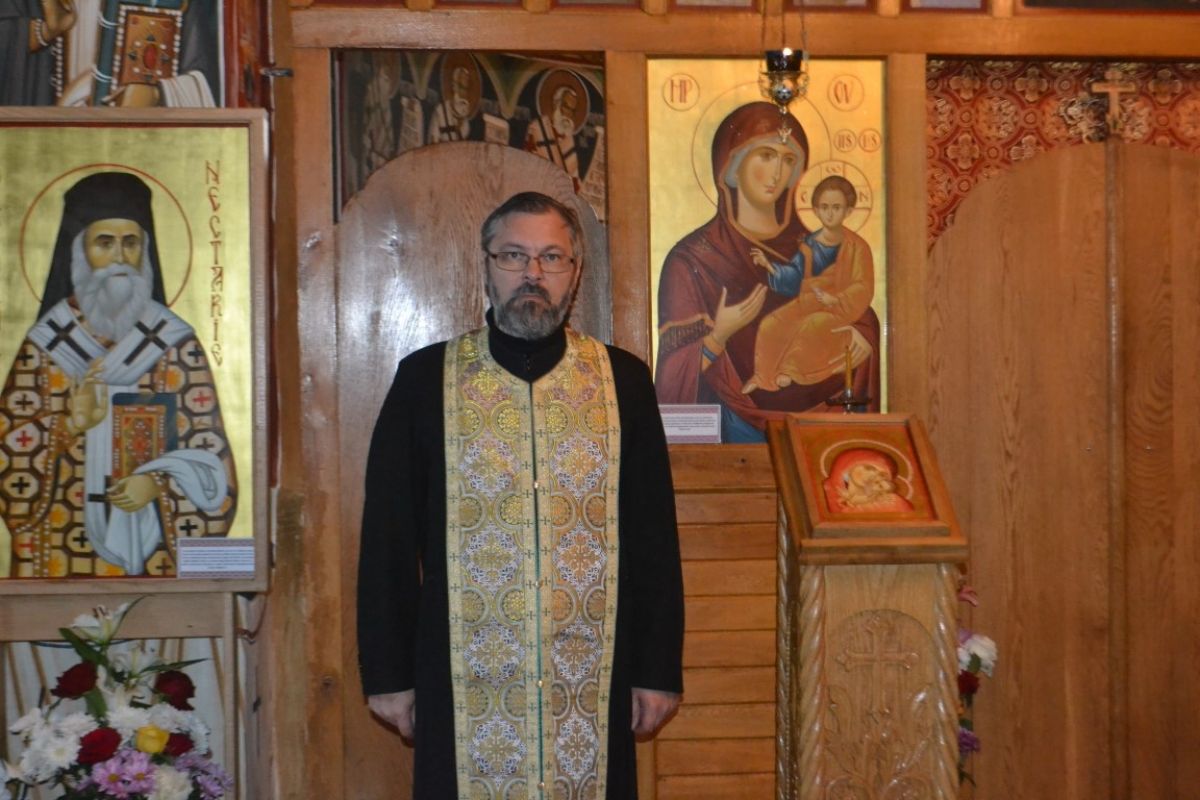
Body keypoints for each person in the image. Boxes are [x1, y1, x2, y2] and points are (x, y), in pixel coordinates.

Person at [358, 191, 684, 798]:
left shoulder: (623, 383)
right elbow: (388, 539)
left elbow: (653, 538)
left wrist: (657, 669)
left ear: (574, 273)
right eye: (514, 255)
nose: (532, 273)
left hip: (591, 675)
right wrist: (389, 675)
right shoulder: (426, 380)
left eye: (551, 257)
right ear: (486, 266)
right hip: (461, 677)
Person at [0, 171, 237, 577]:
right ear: (79, 252)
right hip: (57, 549)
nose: (119, 258)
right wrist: (68, 426)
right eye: (104, 243)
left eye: (131, 243)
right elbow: (8, 449)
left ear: (145, 251)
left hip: (156, 553)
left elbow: (210, 451)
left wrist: (159, 485)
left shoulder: (175, 343)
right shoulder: (46, 344)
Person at [655, 102, 881, 442]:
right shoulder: (692, 259)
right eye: (765, 156)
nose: (777, 172)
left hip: (821, 430)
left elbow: (859, 302)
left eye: (788, 160)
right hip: (733, 436)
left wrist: (863, 335)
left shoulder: (819, 244)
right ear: (732, 165)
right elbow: (672, 379)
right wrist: (718, 336)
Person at [743, 174, 875, 392]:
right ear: (815, 210)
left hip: (838, 309)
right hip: (808, 302)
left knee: (813, 324)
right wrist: (770, 267)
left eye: (836, 207)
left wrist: (836, 299)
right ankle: (762, 377)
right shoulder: (810, 244)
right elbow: (796, 276)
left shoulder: (857, 247)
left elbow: (863, 285)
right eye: (824, 207)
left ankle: (789, 370)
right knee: (771, 323)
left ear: (848, 211)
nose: (830, 213)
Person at [525, 81, 586, 191]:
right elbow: (528, 166)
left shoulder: (568, 138)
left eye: (572, 110)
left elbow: (574, 180)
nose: (568, 114)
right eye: (566, 107)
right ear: (556, 104)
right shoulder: (538, 129)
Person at [822, 448, 914, 514]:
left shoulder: (894, 502)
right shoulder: (826, 493)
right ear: (847, 464)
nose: (873, 475)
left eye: (881, 475)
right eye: (868, 468)